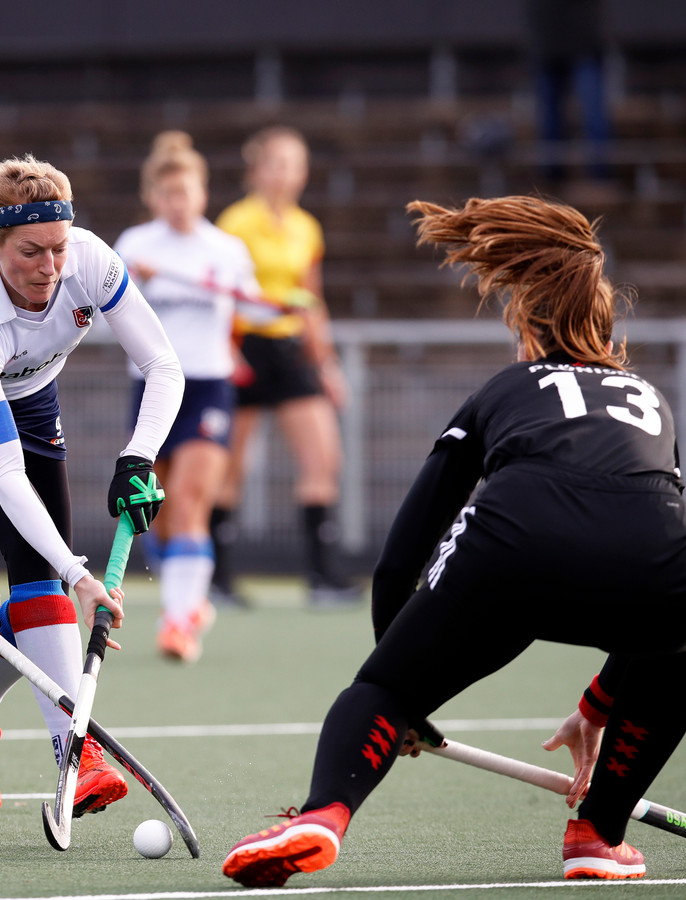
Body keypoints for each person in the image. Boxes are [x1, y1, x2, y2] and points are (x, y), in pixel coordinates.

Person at [221, 195, 686, 887]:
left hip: (511, 555)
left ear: (527, 325)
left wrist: (401, 688)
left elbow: (401, 557)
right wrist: (599, 702)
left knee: (377, 689)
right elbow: (646, 559)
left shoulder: (507, 387)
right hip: (659, 571)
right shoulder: (650, 399)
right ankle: (598, 834)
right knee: (676, 640)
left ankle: (322, 815)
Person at [0, 154, 183, 818]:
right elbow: (6, 474)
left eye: (58, 247)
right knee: (40, 561)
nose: (50, 267)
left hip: (30, 400)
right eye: (30, 252)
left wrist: (138, 457)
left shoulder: (91, 260)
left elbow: (164, 365)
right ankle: (77, 757)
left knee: (39, 579)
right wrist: (78, 575)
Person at [113, 131, 265, 662]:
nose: (178, 203)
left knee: (190, 500)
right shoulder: (134, 247)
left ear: (203, 193)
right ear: (152, 197)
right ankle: (190, 598)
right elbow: (107, 317)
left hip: (207, 386)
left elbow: (258, 310)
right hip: (153, 387)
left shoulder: (226, 250)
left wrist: (264, 300)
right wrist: (135, 282)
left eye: (187, 192)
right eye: (168, 194)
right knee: (157, 512)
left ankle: (178, 623)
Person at [212, 126, 360, 606]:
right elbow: (222, 296)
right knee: (230, 466)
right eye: (276, 164)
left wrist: (327, 364)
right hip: (246, 347)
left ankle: (322, 576)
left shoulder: (306, 227)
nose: (285, 174)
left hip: (291, 350)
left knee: (323, 459)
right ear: (256, 169)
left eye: (295, 165)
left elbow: (311, 299)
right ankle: (217, 579)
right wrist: (227, 352)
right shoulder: (235, 223)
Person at [524, 0, 612, 184]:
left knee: (593, 113)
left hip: (583, 40)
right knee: (549, 115)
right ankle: (552, 176)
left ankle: (600, 175)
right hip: (546, 42)